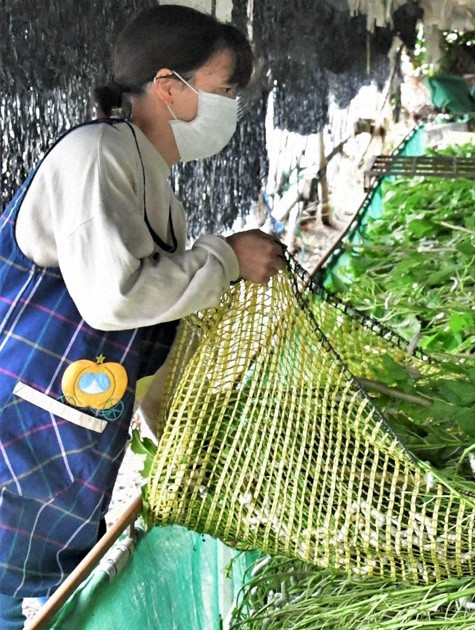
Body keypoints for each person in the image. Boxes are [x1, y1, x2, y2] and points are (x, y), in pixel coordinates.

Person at [0, 5, 284, 626]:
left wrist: (193, 442)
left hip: (76, 430)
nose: (232, 108)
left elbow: (153, 332)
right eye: (225, 91)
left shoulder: (149, 175)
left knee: (51, 581)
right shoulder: (96, 155)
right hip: (20, 426)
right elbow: (116, 298)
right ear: (167, 86)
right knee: (15, 588)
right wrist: (228, 259)